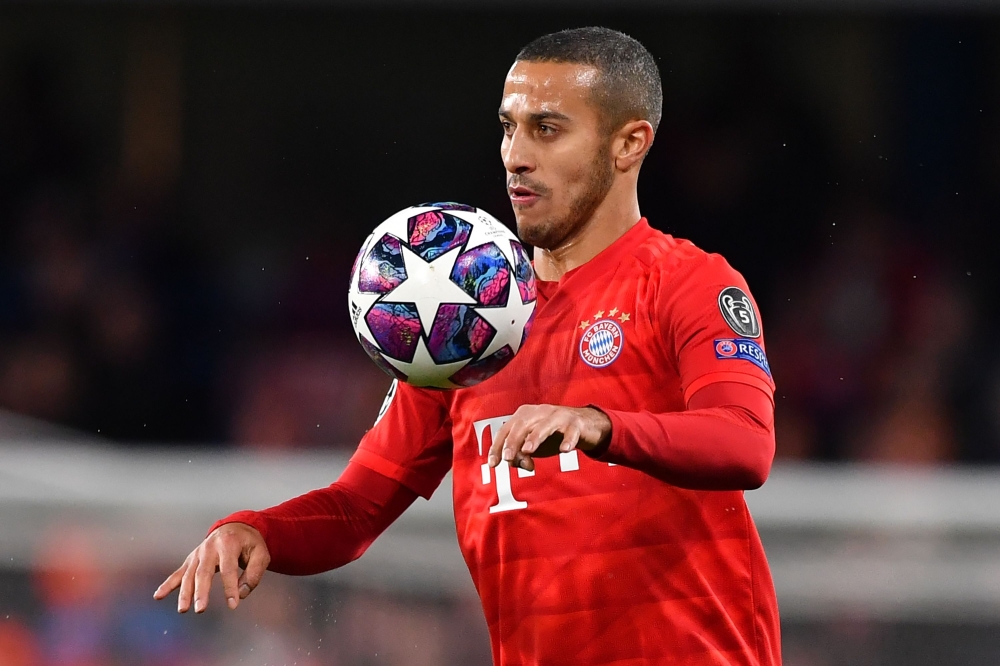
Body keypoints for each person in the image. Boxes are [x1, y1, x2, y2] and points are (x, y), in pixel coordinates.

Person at [155, 26, 781, 666]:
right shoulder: (461, 320)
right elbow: (357, 509)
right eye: (508, 127)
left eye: (547, 129)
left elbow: (744, 444)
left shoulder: (687, 284)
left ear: (629, 144)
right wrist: (259, 530)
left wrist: (600, 425)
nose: (515, 155)